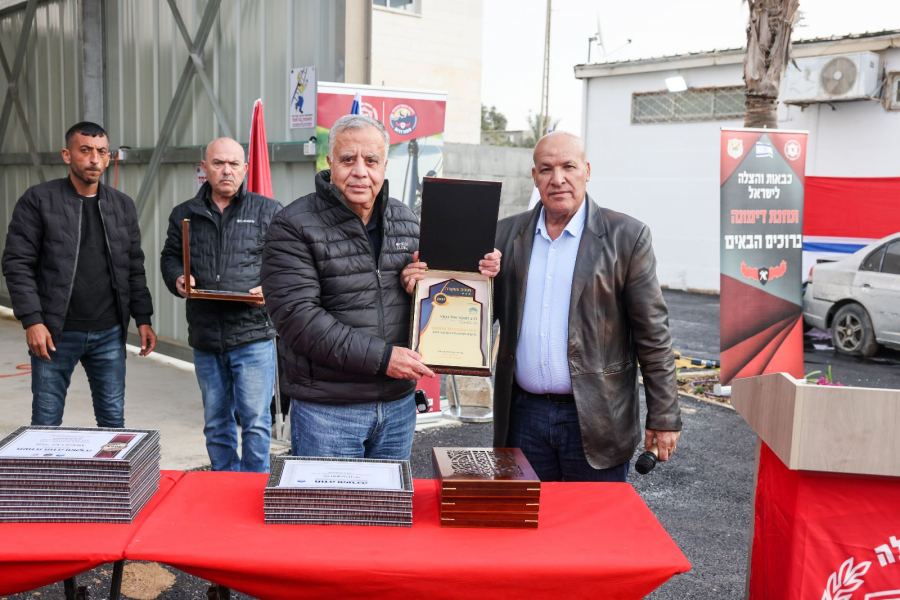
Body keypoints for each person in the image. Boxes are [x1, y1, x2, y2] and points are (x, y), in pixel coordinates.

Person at [262, 114, 499, 460]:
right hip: (328, 411)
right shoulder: (293, 226)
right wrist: (384, 359)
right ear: (330, 162)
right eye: (348, 159)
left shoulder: (406, 220)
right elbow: (298, 320)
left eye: (371, 160)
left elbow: (425, 298)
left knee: (390, 496)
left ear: (385, 165)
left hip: (397, 407)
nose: (360, 171)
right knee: (330, 498)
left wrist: (420, 288)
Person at [489, 131, 682, 482]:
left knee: (593, 518)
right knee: (528, 518)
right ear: (534, 176)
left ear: (587, 171)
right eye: (546, 169)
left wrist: (664, 416)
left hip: (598, 418)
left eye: (568, 166)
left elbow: (653, 334)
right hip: (523, 418)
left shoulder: (626, 237)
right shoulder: (503, 235)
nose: (557, 179)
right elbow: (474, 310)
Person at [2, 121, 157, 428]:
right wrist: (32, 321)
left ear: (109, 157)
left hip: (109, 332)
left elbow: (133, 266)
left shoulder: (122, 206)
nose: (94, 159)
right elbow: (17, 263)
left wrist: (143, 318)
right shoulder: (39, 200)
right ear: (67, 155)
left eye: (102, 151)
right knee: (46, 423)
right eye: (85, 150)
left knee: (112, 422)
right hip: (55, 333)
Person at [160, 137, 280, 472]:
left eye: (233, 164)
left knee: (255, 421)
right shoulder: (184, 214)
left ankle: (254, 484)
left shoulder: (268, 211)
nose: (226, 170)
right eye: (218, 163)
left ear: (245, 168)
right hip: (206, 336)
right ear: (204, 168)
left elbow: (287, 262)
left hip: (253, 335)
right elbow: (170, 257)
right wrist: (178, 277)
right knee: (216, 421)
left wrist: (270, 287)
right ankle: (223, 481)